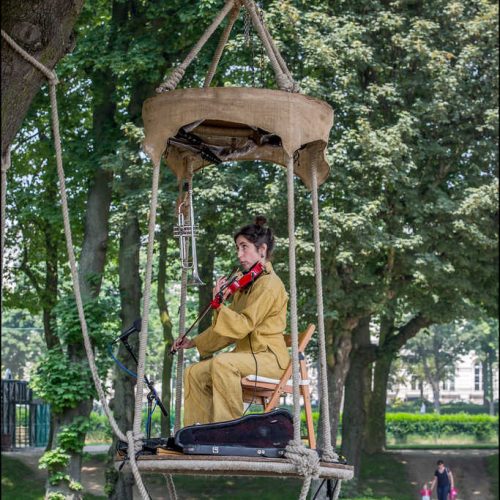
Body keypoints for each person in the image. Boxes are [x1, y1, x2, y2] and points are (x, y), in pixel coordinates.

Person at [171, 216, 290, 426]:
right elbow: (227, 330)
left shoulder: (270, 284)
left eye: (244, 247)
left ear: (262, 250)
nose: (239, 254)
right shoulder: (246, 286)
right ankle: (199, 433)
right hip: (247, 357)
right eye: (237, 248)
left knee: (223, 364)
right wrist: (194, 342)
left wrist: (219, 306)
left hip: (270, 360)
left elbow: (242, 325)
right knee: (194, 373)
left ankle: (228, 432)